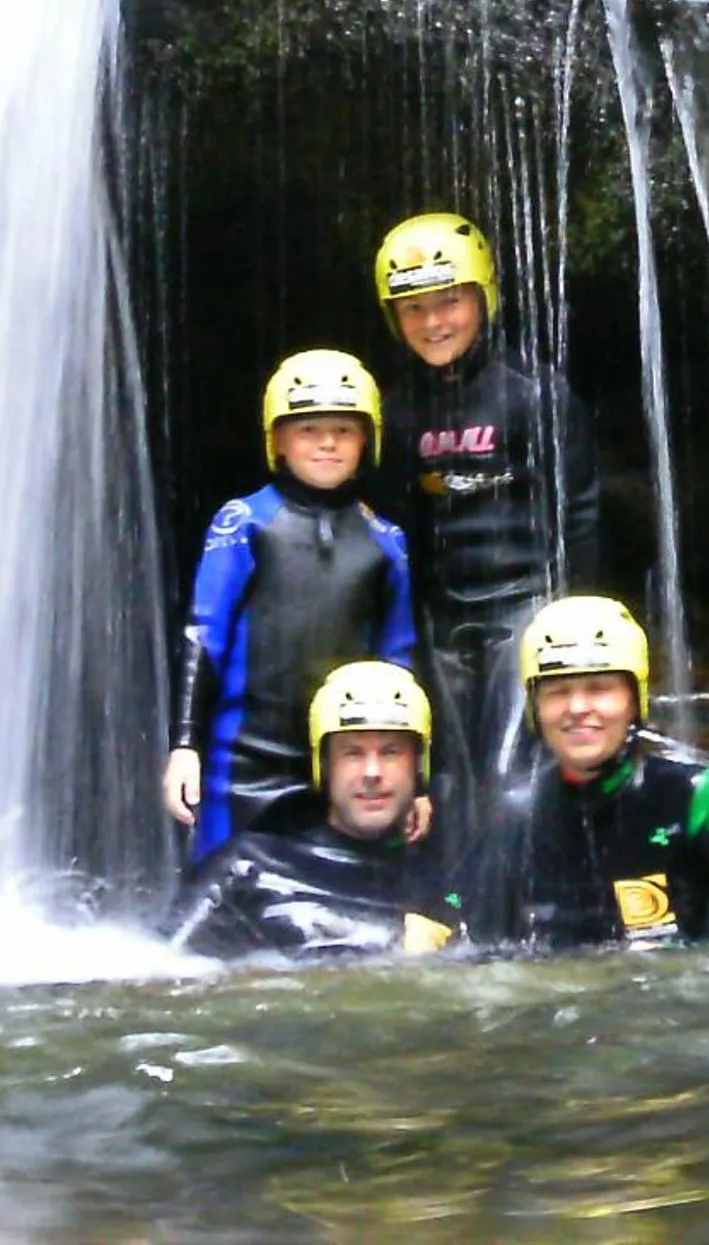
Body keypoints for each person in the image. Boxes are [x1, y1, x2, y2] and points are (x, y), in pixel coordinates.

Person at [374, 212, 602, 805]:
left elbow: (578, 512)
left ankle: (524, 893)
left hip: (523, 604)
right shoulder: (395, 412)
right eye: (414, 309)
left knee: (511, 774)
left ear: (484, 296)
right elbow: (394, 526)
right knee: (444, 775)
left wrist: (576, 623)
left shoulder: (535, 394)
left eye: (449, 302)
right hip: (441, 615)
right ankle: (450, 895)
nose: (433, 322)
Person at [164, 350, 415, 858]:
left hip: (346, 765)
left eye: (344, 430)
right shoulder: (243, 524)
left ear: (368, 438)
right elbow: (203, 635)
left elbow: (400, 661)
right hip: (243, 763)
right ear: (277, 439)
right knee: (219, 904)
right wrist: (185, 745)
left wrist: (419, 777)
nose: (327, 443)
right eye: (308, 429)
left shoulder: (386, 540)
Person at [499, 594, 709, 949]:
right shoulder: (518, 812)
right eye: (558, 692)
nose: (578, 708)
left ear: (633, 701)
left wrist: (700, 964)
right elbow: (467, 922)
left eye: (599, 688)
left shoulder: (695, 794)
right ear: (536, 709)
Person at [165, 661, 465, 958]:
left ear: (418, 766)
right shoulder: (244, 870)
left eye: (390, 752)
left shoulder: (443, 888)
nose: (372, 772)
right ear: (324, 765)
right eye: (353, 753)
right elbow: (161, 977)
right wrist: (388, 942)